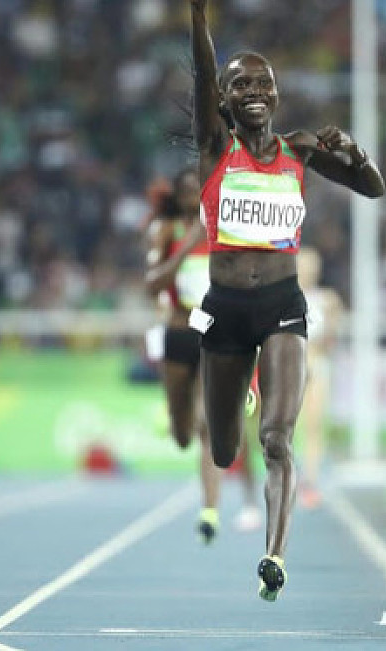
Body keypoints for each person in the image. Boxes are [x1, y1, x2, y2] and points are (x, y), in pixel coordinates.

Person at [188, 0, 386, 601]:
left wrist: (355, 153)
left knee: (277, 439)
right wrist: (197, 18)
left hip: (281, 305)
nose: (253, 91)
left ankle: (274, 557)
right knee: (225, 450)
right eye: (240, 84)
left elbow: (373, 188)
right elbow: (203, 74)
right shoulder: (215, 146)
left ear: (276, 95)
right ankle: (240, 392)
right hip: (225, 309)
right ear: (224, 101)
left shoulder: (299, 150)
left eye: (263, 83)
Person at [144, 166, 262, 545]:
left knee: (208, 424)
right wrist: (186, 245)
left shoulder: (224, 232)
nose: (193, 198)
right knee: (183, 434)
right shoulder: (167, 231)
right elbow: (152, 286)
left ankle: (209, 511)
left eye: (199, 190)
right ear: (178, 197)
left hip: (213, 334)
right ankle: (177, 420)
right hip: (179, 332)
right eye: (186, 191)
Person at [295, 247, 343, 510]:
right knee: (287, 425)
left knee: (314, 424)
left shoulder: (326, 298)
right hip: (292, 364)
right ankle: (288, 475)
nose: (308, 270)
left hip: (316, 363)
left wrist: (333, 317)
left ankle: (310, 481)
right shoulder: (285, 296)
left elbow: (332, 336)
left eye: (312, 266)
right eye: (304, 265)